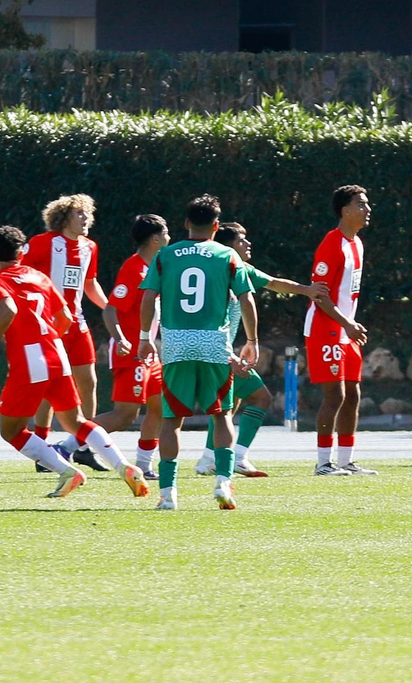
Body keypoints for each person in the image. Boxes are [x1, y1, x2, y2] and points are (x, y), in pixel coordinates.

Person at [0, 225, 149, 499]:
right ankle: (123, 466)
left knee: (11, 431)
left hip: (31, 360)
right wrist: (53, 338)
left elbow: (9, 309)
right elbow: (64, 313)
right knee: (76, 421)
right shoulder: (38, 276)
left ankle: (66, 472)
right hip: (57, 352)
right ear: (21, 252)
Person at [139, 195, 257, 511]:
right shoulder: (227, 255)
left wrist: (143, 337)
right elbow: (247, 300)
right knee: (221, 414)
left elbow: (148, 297)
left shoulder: (166, 255)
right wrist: (252, 340)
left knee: (171, 419)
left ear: (186, 223)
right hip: (213, 344)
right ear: (217, 226)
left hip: (177, 342)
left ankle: (167, 494)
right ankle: (223, 485)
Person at [193, 221, 331, 478]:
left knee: (228, 404)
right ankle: (239, 457)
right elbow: (273, 285)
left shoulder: (228, 267)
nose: (248, 244)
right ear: (228, 246)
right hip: (218, 349)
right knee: (261, 397)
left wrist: (306, 290)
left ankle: (209, 459)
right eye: (241, 240)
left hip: (207, 346)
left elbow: (274, 283)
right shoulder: (233, 268)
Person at [52, 214, 169, 478]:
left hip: (147, 352)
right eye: (166, 233)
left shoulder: (153, 267)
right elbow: (111, 310)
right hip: (132, 353)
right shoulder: (134, 268)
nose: (169, 238)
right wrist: (123, 339)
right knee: (124, 415)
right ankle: (65, 446)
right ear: (155, 239)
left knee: (159, 405)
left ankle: (144, 464)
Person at [21, 194, 110, 433]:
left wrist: (110, 307)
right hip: (49, 326)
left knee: (88, 381)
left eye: (87, 213)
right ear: (63, 218)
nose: (85, 218)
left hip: (77, 324)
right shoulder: (42, 242)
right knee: (50, 385)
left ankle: (84, 442)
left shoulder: (90, 247)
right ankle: (41, 441)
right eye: (79, 213)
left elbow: (90, 283)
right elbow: (20, 276)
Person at [307, 184, 374, 476]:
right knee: (334, 395)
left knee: (353, 395)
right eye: (361, 204)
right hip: (326, 328)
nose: (367, 209)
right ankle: (324, 463)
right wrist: (345, 322)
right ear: (345, 211)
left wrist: (349, 325)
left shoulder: (356, 243)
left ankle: (347, 460)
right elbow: (319, 294)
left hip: (346, 330)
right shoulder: (331, 244)